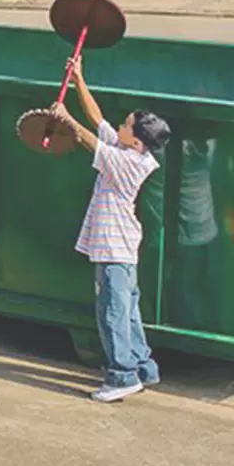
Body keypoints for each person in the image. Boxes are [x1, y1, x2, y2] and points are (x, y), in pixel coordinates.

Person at [49, 59, 171, 403]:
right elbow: (97, 119)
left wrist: (63, 117)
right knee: (128, 310)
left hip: (114, 248)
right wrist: (79, 80)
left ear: (138, 143)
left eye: (126, 125)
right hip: (119, 248)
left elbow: (88, 138)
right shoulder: (128, 149)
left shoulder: (128, 163)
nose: (120, 125)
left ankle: (122, 376)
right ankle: (143, 367)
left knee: (112, 312)